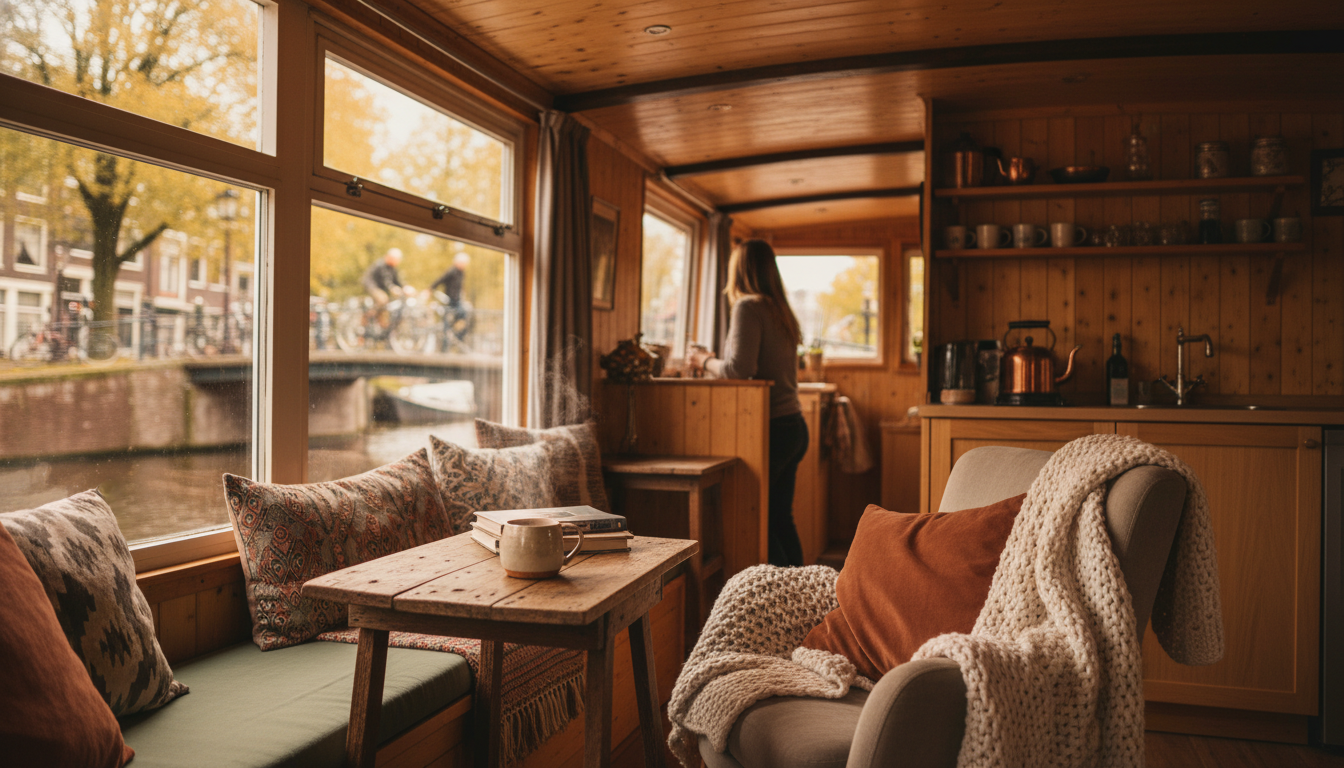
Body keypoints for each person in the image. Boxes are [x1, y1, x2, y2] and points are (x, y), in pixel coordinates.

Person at [688, 239, 807, 567]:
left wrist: (703, 359)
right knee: (781, 519)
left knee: (761, 523)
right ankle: (809, 597)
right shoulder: (779, 308)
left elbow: (738, 370)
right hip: (794, 425)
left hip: (773, 429)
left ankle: (786, 598)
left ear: (738, 270)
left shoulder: (748, 306)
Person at [430, 253, 472, 351]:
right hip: (450, 301)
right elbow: (440, 280)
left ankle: (455, 335)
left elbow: (460, 287)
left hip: (457, 301)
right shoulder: (451, 271)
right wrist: (431, 288)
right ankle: (445, 347)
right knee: (448, 322)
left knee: (463, 314)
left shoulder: (462, 273)